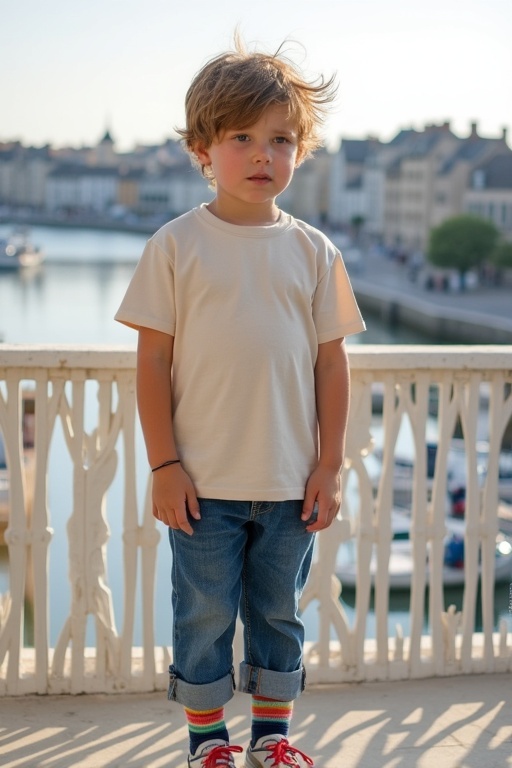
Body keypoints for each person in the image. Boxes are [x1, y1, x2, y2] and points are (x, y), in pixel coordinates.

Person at [115, 36, 365, 768]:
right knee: (202, 619)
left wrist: (331, 466)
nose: (263, 154)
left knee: (279, 617)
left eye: (281, 140)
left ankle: (272, 738)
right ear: (202, 148)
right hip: (202, 483)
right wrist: (164, 463)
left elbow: (331, 365)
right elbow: (153, 364)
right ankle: (205, 743)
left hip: (291, 483)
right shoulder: (175, 245)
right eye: (241, 138)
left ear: (301, 150)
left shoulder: (316, 252)